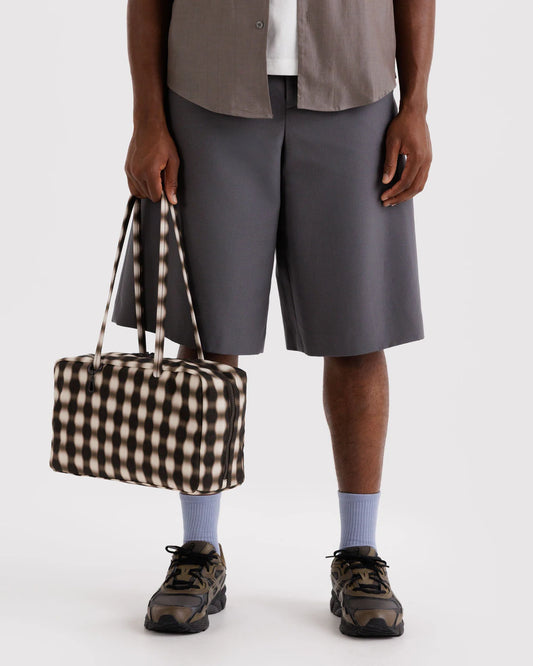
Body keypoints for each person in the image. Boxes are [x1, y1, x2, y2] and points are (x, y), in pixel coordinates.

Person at [111, 0, 434, 638]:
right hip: (208, 92)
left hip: (355, 91)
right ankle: (199, 552)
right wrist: (147, 118)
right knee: (207, 338)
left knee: (358, 333)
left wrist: (417, 106)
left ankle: (359, 555)